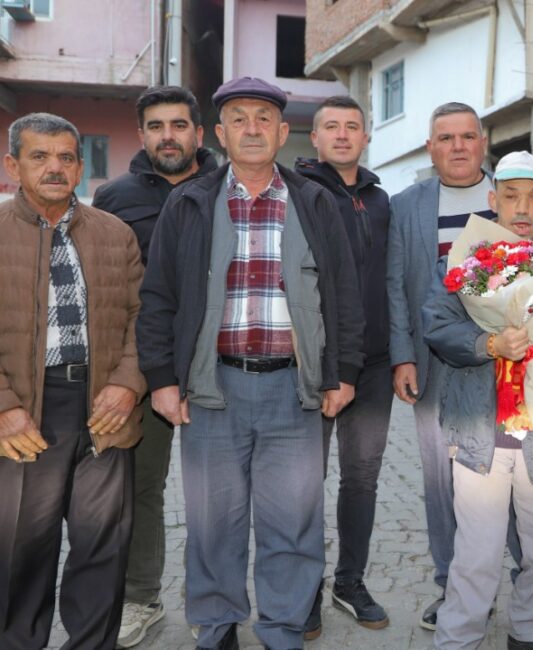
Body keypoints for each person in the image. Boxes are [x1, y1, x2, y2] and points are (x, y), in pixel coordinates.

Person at [137, 77, 363, 650]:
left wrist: (346, 373)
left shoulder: (315, 201)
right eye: (239, 118)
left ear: (284, 131)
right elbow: (158, 298)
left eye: (264, 118)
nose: (253, 128)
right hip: (213, 390)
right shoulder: (190, 203)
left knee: (293, 524)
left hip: (296, 390)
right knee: (215, 525)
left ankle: (284, 630)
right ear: (220, 133)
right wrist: (163, 379)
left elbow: (346, 294)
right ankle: (215, 630)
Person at [423, 150, 533, 650]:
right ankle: (459, 638)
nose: (521, 208)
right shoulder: (462, 259)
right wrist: (488, 345)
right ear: (493, 200)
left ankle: (532, 631)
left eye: (532, 198)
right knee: (476, 548)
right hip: (480, 427)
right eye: (510, 196)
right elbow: (436, 325)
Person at [0, 112, 145, 649]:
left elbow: (142, 318)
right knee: (21, 546)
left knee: (102, 545)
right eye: (39, 157)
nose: (54, 168)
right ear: (14, 164)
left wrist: (130, 383)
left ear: (81, 166)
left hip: (104, 408)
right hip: (25, 413)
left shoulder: (115, 234)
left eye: (66, 157)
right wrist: (3, 407)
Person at [92, 85, 219, 648]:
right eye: (156, 126)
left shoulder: (227, 188)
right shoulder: (113, 196)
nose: (168, 135)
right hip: (141, 370)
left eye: (178, 124)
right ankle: (141, 598)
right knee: (140, 491)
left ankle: (214, 603)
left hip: (220, 367)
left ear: (199, 132)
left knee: (220, 493)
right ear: (141, 134)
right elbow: (104, 287)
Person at [387, 102, 499, 629]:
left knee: (506, 474)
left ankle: (514, 578)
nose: (457, 146)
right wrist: (402, 355)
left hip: (505, 363)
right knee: (442, 481)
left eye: (467, 136)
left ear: (483, 143)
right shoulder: (406, 205)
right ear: (429, 147)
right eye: (445, 138)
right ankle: (451, 584)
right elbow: (393, 286)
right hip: (433, 363)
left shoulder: (511, 194)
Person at [295, 95, 392, 638]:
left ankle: (348, 581)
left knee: (362, 479)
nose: (342, 134)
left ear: (366, 135)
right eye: (330, 126)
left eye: (352, 126)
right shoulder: (299, 192)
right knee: (307, 479)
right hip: (317, 361)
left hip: (374, 365)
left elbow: (391, 278)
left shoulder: (379, 200)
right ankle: (303, 588)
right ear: (314, 137)